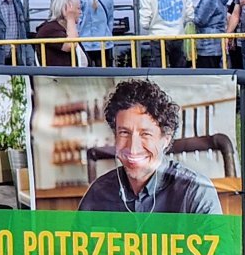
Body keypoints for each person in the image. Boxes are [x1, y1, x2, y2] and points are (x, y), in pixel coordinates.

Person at [77, 78, 223, 214]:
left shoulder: (195, 192)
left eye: (145, 134)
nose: (133, 148)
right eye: (124, 133)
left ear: (166, 139)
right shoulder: (98, 194)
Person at [137, 0, 194, 69]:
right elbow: (190, 15)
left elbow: (144, 23)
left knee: (157, 73)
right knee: (179, 72)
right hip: (178, 35)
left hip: (157, 37)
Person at [75, 0, 118, 66]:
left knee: (86, 71)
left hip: (85, 42)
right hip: (105, 41)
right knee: (105, 71)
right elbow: (110, 20)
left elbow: (78, 21)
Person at [190, 0, 233, 69]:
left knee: (207, 73)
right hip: (218, 43)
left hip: (207, 45)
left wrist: (190, 15)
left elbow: (199, 20)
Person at [32, 0, 81, 67]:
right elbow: (70, 45)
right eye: (78, 8)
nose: (80, 12)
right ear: (65, 10)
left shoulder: (66, 29)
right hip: (59, 73)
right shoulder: (49, 29)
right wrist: (70, 18)